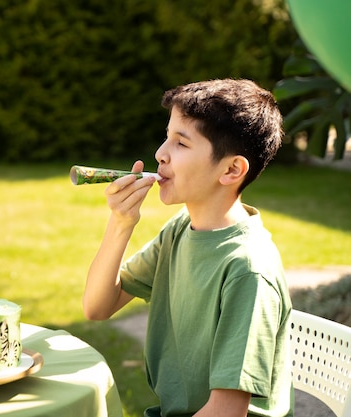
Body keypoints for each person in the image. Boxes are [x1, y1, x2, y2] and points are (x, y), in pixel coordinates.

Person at [83, 79, 293, 417]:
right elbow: (97, 306)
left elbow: (226, 410)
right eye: (167, 136)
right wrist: (120, 223)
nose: (160, 153)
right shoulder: (181, 229)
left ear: (231, 170)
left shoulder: (248, 269)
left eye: (180, 143)